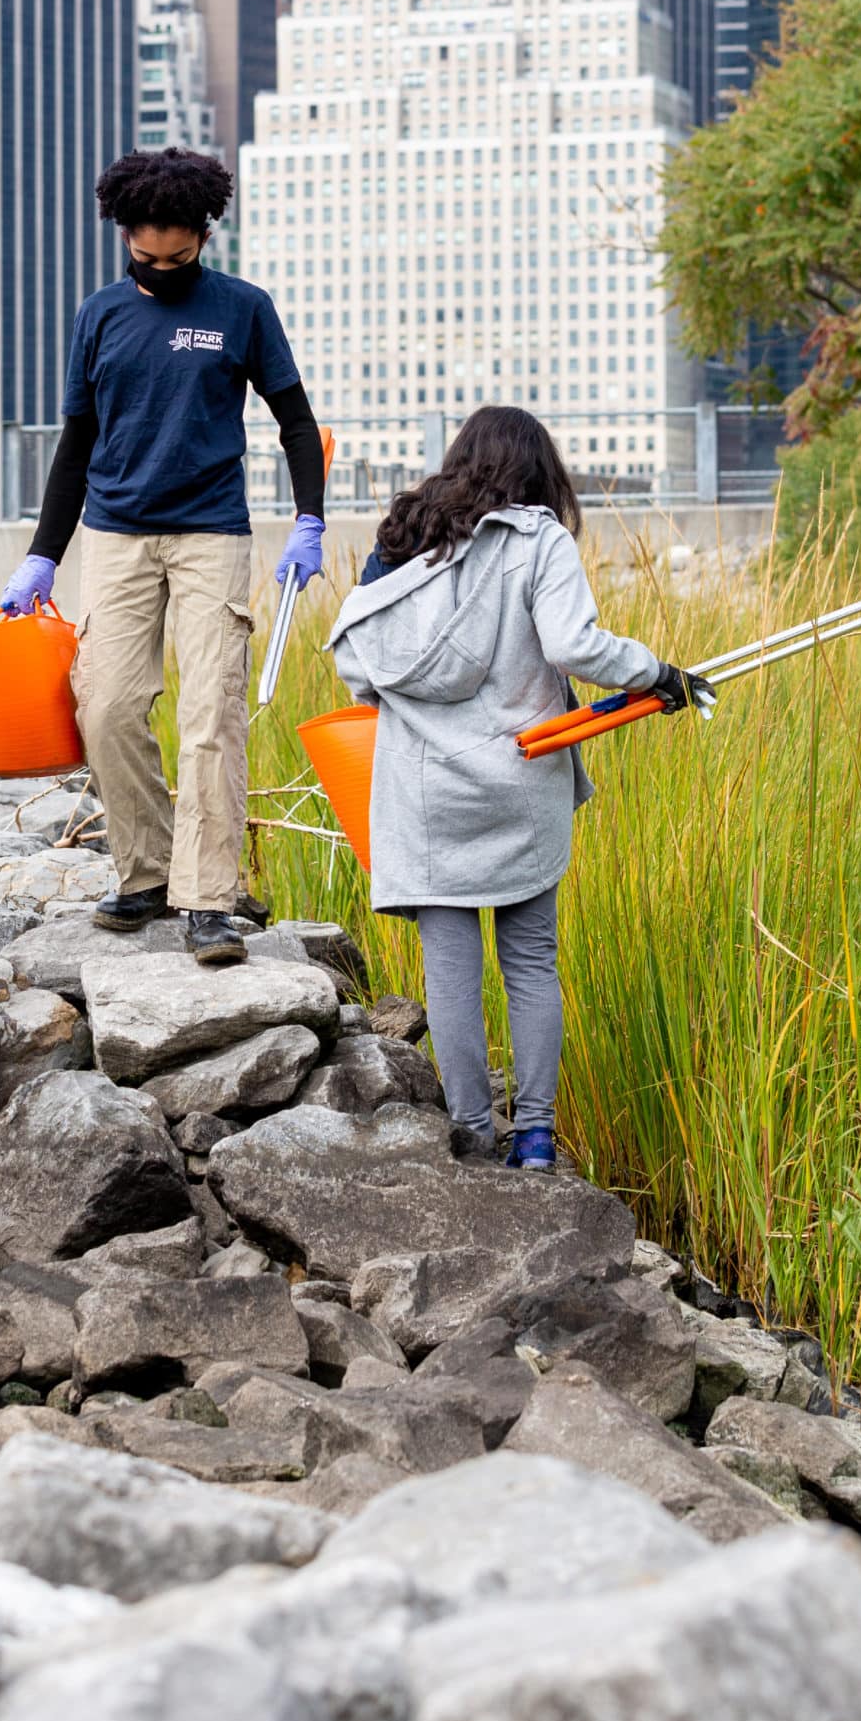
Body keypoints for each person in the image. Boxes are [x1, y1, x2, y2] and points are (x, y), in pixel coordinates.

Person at [327, 406, 704, 1169]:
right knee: (531, 961)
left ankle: (469, 1128)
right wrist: (659, 673)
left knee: (451, 970)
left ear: (461, 459)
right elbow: (573, 645)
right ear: (538, 472)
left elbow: (357, 668)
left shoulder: (401, 542)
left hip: (427, 793)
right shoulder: (539, 539)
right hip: (522, 775)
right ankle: (533, 1136)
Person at [0, 149, 326, 967]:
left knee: (210, 713)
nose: (163, 270)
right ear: (124, 238)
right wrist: (43, 555)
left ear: (205, 237)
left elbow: (294, 420)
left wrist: (309, 519)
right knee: (106, 705)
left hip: (212, 531)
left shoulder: (243, 308)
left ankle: (209, 899)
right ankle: (144, 872)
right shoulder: (99, 315)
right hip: (115, 531)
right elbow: (76, 443)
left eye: (180, 258)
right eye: (147, 259)